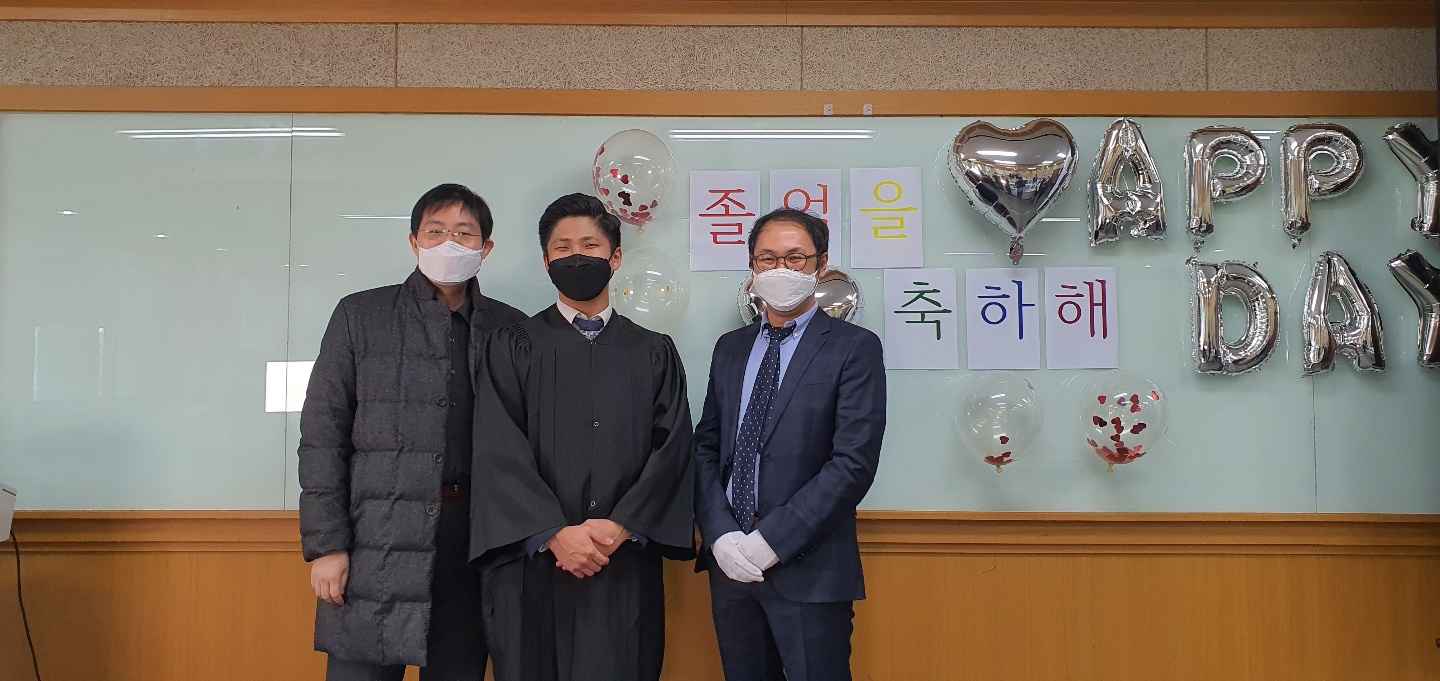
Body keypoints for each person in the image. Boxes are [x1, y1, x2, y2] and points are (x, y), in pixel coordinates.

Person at [298, 183, 527, 680]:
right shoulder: (360, 316)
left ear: (486, 248)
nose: (449, 243)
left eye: (464, 234)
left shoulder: (510, 329)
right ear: (413, 242)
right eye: (436, 231)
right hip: (374, 538)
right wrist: (327, 545)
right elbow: (322, 435)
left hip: (471, 542)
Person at [469, 193, 695, 681]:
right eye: (563, 247)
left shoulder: (652, 351)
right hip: (532, 561)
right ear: (546, 260)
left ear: (616, 257)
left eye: (590, 246)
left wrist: (621, 527)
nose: (577, 257)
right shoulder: (513, 345)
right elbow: (497, 448)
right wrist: (553, 534)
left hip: (622, 561)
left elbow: (672, 448)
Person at [693, 208, 887, 681]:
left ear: (820, 264)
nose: (781, 269)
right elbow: (706, 448)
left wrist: (772, 542)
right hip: (731, 567)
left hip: (811, 569)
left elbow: (853, 463)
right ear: (752, 267)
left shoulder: (854, 347)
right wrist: (720, 535)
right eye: (767, 259)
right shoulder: (730, 347)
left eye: (795, 258)